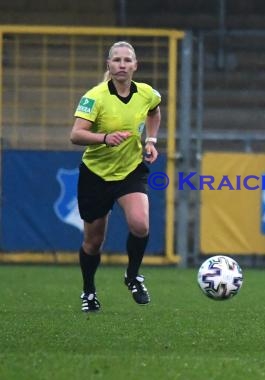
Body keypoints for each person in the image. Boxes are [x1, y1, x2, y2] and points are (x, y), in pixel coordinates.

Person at [70, 41, 162, 312]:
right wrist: (105, 138)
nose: (122, 65)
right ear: (108, 65)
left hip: (130, 170)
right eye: (117, 60)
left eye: (127, 60)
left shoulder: (146, 93)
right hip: (96, 175)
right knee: (93, 242)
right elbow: (76, 134)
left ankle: (133, 276)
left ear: (135, 66)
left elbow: (155, 110)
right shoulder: (95, 97)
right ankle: (89, 291)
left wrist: (152, 139)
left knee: (140, 224)